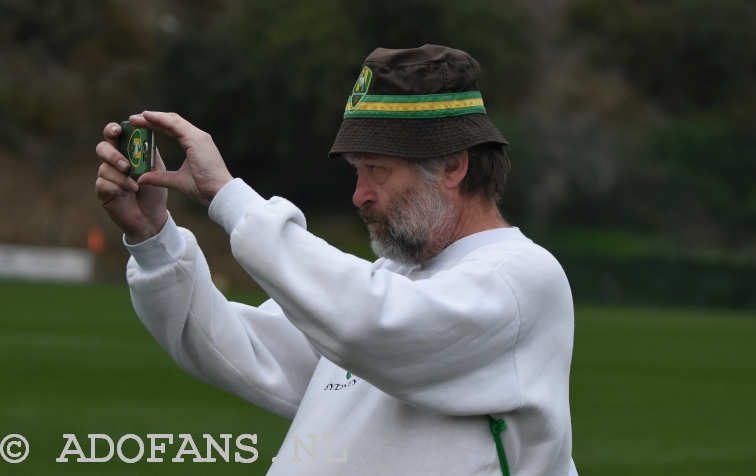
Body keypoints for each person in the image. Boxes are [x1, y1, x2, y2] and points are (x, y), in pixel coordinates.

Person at [95, 45, 578, 475]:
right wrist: (153, 236)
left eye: (376, 171)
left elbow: (371, 324)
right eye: (356, 171)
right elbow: (240, 349)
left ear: (453, 165)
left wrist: (229, 197)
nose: (358, 195)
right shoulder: (392, 281)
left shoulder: (521, 278)